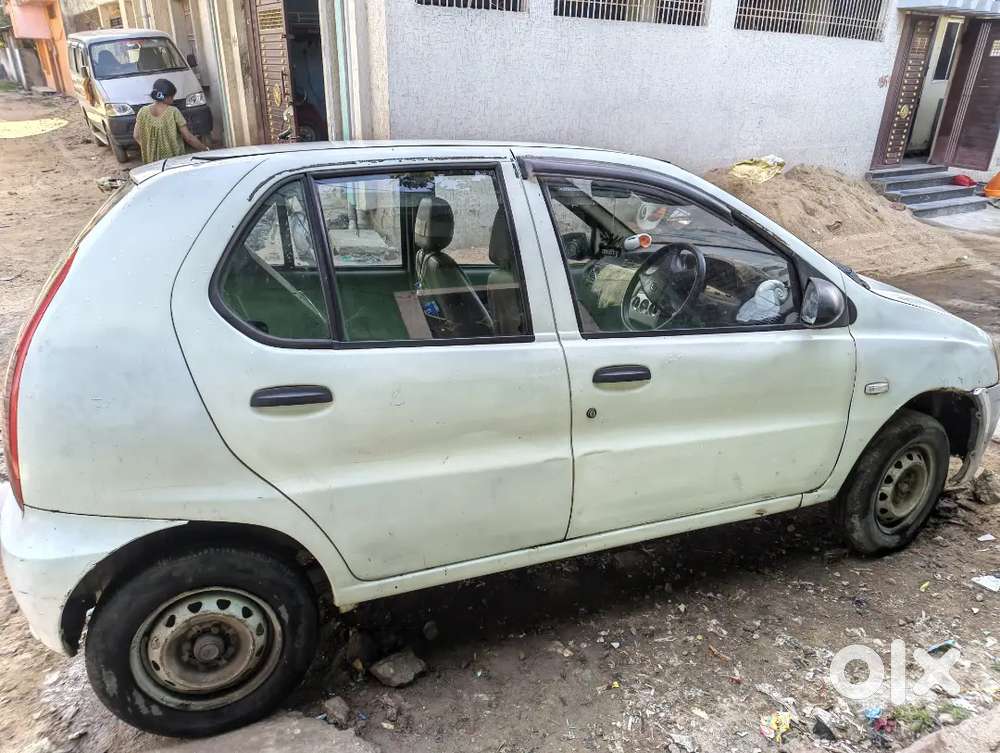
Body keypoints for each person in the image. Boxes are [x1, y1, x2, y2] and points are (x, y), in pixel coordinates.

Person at [133, 78, 209, 164]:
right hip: (174, 162)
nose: (173, 100)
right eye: (172, 97)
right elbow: (188, 138)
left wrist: (149, 149)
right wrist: (205, 149)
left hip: (152, 164)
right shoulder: (173, 112)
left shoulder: (143, 112)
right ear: (167, 97)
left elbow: (136, 135)